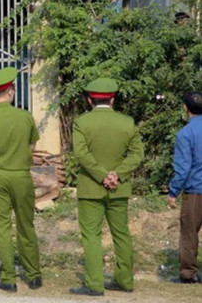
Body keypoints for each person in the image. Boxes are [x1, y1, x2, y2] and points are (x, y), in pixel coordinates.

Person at [69, 78, 143, 296]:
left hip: (91, 188)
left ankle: (94, 284)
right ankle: (124, 280)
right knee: (121, 234)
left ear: (89, 99)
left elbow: (81, 154)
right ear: (113, 99)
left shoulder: (82, 122)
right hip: (119, 188)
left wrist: (102, 176)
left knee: (91, 235)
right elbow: (138, 154)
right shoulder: (127, 122)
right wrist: (117, 175)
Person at [0, 67, 41, 292]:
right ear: (11, 92)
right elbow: (32, 146)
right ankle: (33, 276)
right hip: (22, 177)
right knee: (26, 225)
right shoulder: (25, 117)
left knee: (1, 226)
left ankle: (8, 278)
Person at [167, 91, 202, 284]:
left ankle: (189, 273)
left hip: (196, 191)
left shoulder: (186, 133)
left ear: (185, 108)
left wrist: (173, 192)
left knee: (189, 233)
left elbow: (183, 168)